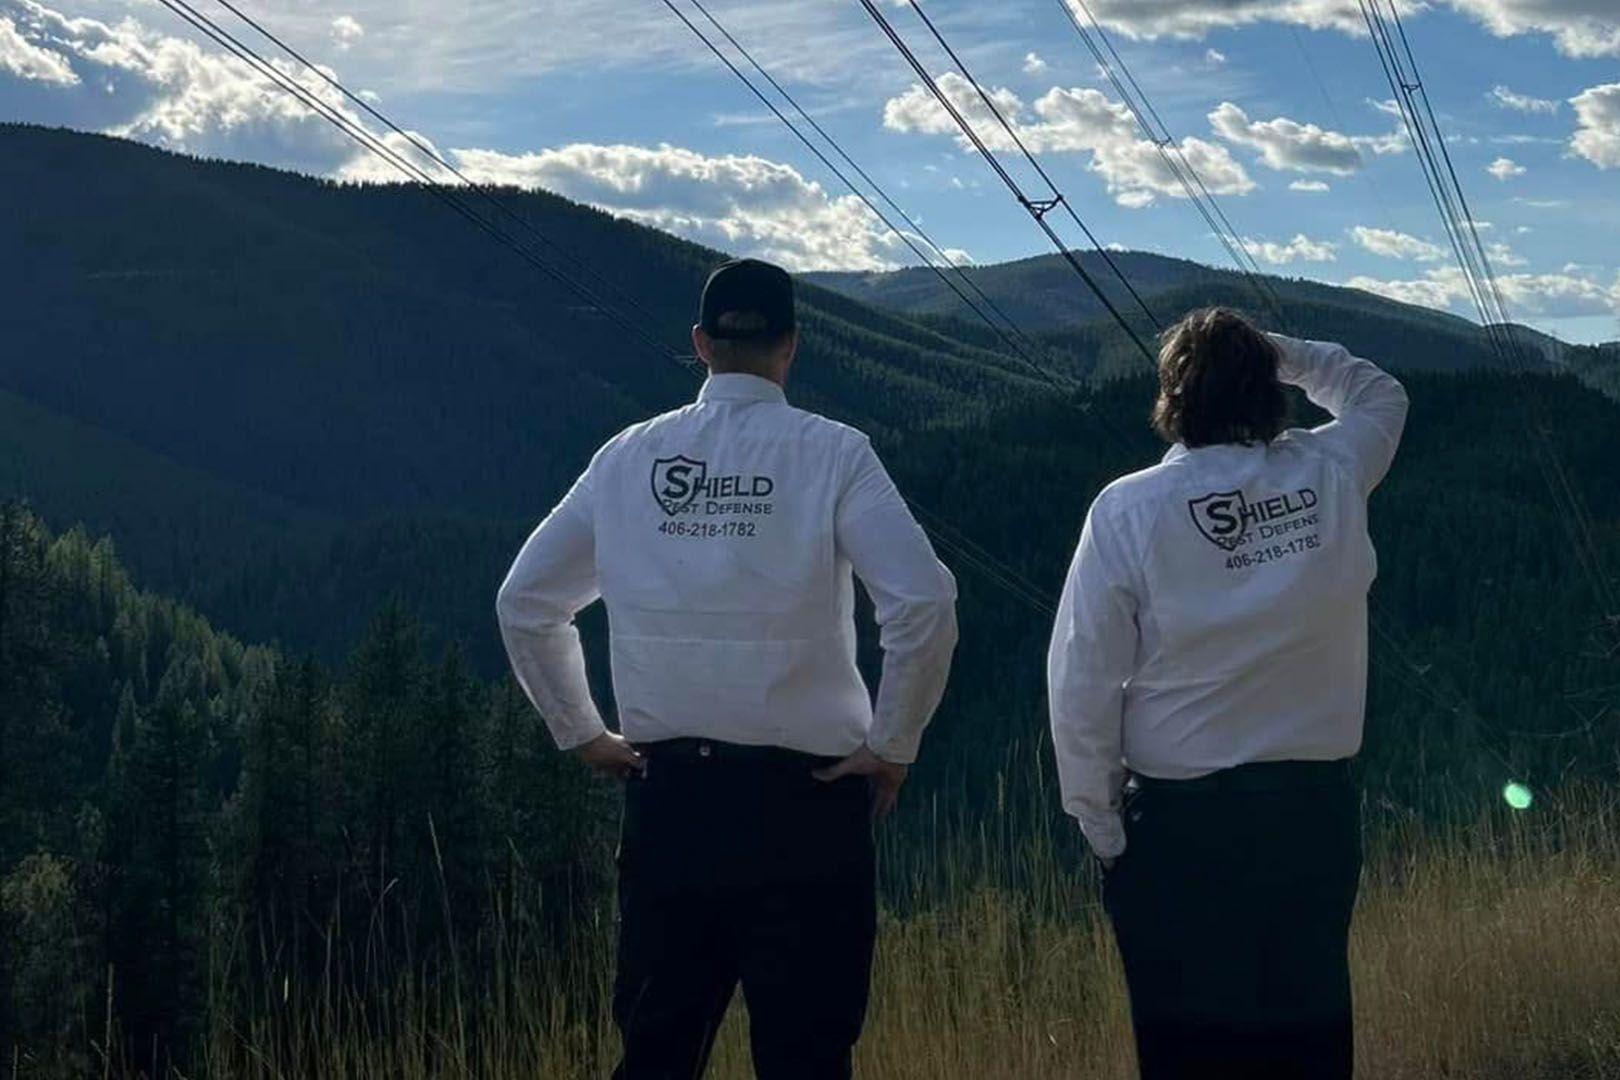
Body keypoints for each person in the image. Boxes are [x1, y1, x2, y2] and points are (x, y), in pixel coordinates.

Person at [496, 257, 959, 1080]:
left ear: (702, 345)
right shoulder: (835, 454)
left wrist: (583, 732)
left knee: (657, 1055)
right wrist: (892, 745)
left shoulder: (628, 458)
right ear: (793, 345)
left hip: (671, 803)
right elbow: (922, 602)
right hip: (807, 810)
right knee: (808, 1058)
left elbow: (527, 602)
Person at [1048, 307, 1408, 1079]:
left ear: (1173, 400)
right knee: (1309, 1043)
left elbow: (1082, 682)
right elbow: (1379, 394)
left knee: (1187, 1053)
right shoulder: (1329, 473)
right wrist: (1275, 351)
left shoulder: (1128, 509)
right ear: (1268, 389)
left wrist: (1105, 829)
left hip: (1180, 833)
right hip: (1310, 819)